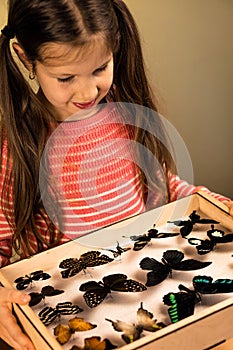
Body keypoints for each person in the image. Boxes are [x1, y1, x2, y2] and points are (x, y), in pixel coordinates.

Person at [0, 0, 232, 349]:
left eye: (100, 69)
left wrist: (218, 204)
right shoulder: (15, 148)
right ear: (25, 58)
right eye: (66, 78)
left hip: (153, 294)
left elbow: (167, 189)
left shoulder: (127, 112)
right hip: (80, 316)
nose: (88, 92)